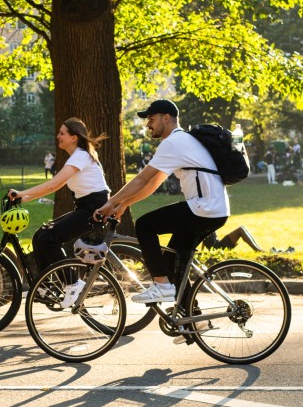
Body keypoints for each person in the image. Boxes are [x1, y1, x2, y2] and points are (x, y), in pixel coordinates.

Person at [95, 99, 229, 306]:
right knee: (173, 263)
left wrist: (110, 202)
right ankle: (194, 319)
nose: (147, 124)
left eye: (151, 118)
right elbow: (152, 183)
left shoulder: (173, 142)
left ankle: (162, 286)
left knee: (145, 225)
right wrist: (124, 204)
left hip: (204, 207)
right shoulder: (181, 141)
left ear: (166, 118)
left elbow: (141, 178)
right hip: (213, 209)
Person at [8, 117, 110, 308]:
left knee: (49, 237)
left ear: (74, 137)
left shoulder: (81, 155)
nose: (58, 136)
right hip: (85, 206)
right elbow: (58, 185)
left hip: (94, 208)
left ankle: (72, 282)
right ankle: (44, 286)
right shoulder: (77, 157)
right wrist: (24, 198)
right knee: (40, 236)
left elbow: (53, 184)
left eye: (62, 133)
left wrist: (23, 193)